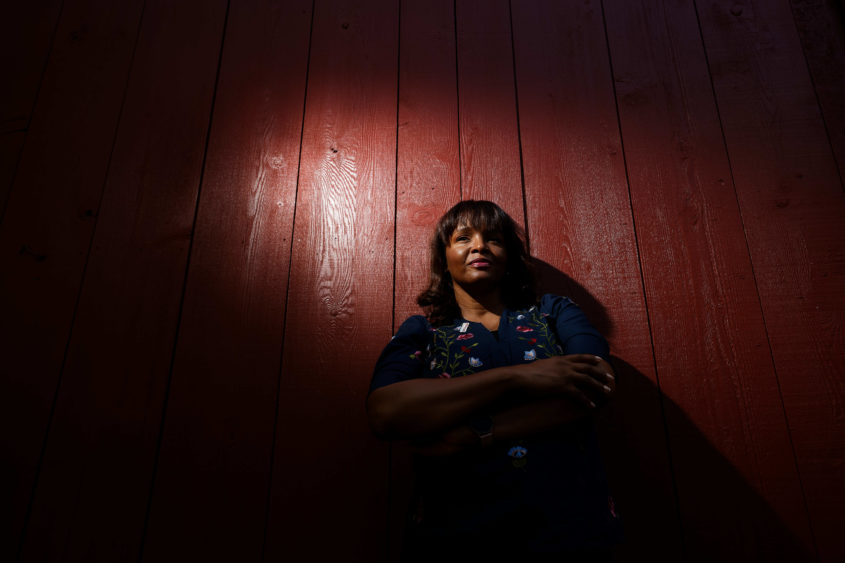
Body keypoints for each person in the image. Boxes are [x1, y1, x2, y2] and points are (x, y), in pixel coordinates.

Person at [367, 200, 622, 562]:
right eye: (463, 238)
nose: (479, 247)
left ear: (510, 257)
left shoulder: (553, 313)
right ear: (444, 258)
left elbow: (598, 382)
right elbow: (385, 412)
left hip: (569, 526)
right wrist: (521, 376)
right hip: (454, 532)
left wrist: (480, 433)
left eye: (494, 239)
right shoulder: (423, 331)